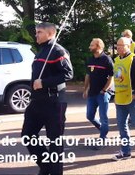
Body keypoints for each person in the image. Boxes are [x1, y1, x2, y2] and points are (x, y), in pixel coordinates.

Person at [21, 22, 73, 175]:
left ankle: (54, 171)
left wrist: (44, 83)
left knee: (55, 142)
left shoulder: (58, 51)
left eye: (40, 32)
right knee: (27, 135)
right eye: (36, 32)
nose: (36, 35)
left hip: (54, 102)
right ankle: (46, 166)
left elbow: (68, 74)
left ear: (50, 33)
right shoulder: (41, 51)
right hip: (37, 102)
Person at [83, 38, 114, 150]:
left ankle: (102, 138)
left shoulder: (107, 60)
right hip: (92, 93)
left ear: (98, 46)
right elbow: (88, 76)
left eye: (92, 45)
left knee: (103, 117)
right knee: (89, 115)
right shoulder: (90, 59)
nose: (90, 47)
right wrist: (85, 89)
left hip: (103, 94)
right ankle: (103, 129)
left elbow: (111, 77)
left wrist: (104, 90)